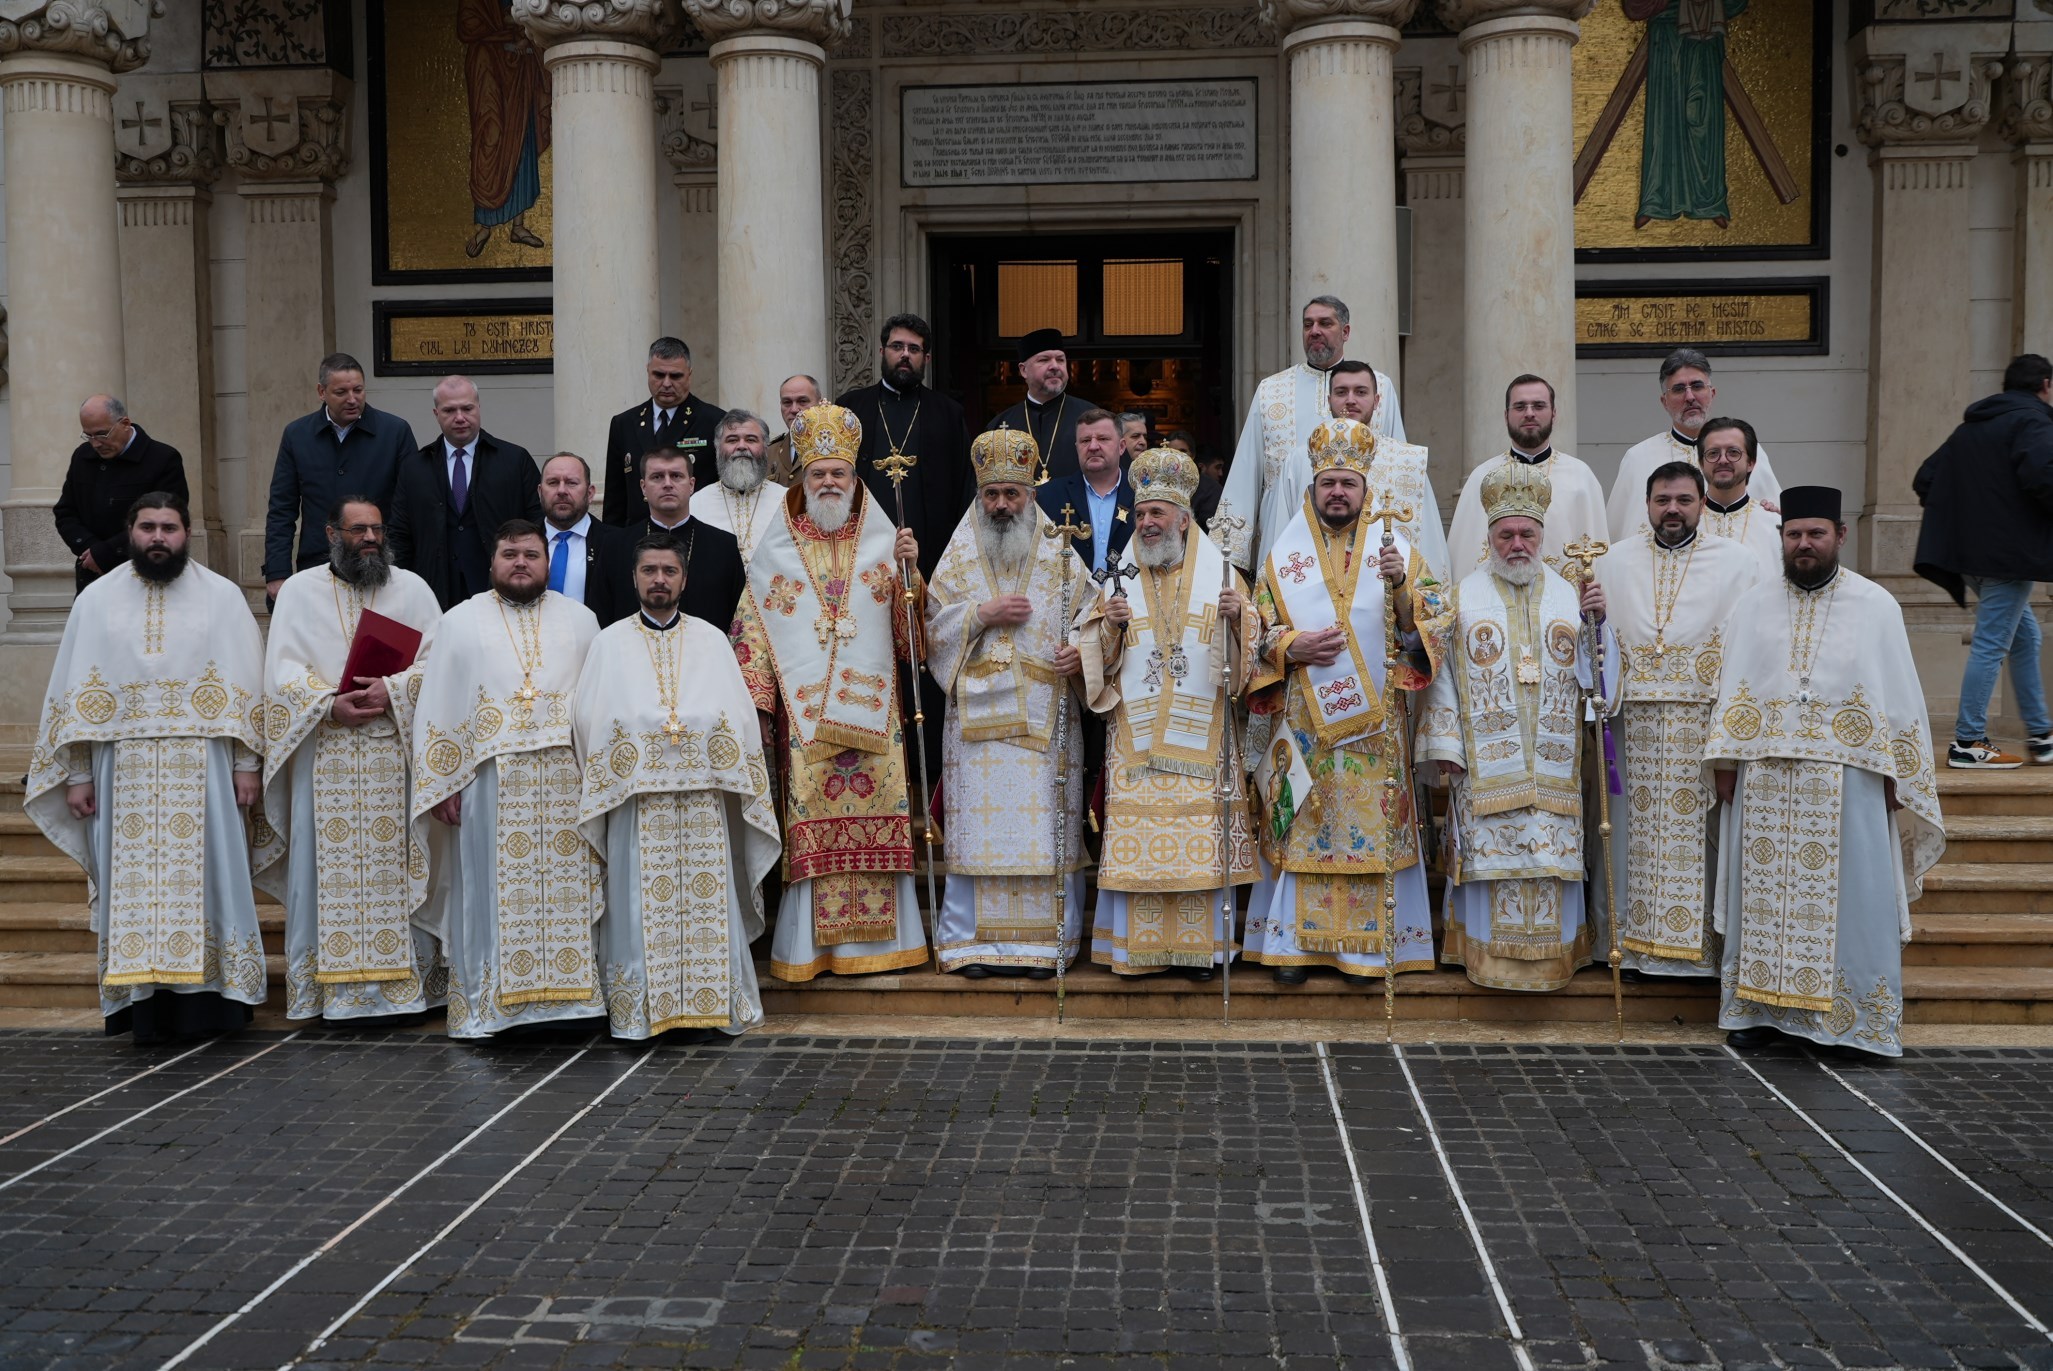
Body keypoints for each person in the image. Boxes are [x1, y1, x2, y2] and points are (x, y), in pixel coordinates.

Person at [1709, 486, 1943, 1058]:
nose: (1804, 544)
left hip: (1850, 781)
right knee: (1762, 901)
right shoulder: (1754, 603)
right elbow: (1731, 688)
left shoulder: (1876, 604)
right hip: (1764, 778)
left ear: (1839, 535)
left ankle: (1854, 1020)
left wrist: (1901, 777)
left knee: (1853, 903)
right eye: (1793, 535)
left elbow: (1899, 698)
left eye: (1815, 534)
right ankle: (1759, 1012)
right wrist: (1724, 764)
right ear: (1781, 539)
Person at [25, 493, 267, 1043]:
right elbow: (74, 693)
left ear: (187, 534)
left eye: (171, 528)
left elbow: (247, 687)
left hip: (206, 767)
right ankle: (139, 1002)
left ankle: (217, 999)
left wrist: (248, 764)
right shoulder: (96, 601)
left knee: (214, 880)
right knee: (127, 883)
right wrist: (79, 776)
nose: (160, 537)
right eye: (149, 527)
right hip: (121, 769)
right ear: (130, 531)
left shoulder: (223, 598)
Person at [1243, 420, 1449, 985]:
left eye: (1348, 484)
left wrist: (1403, 588)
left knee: (1371, 829)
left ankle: (1368, 950)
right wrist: (1291, 644)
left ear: (1365, 490)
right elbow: (1255, 633)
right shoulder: (1285, 557)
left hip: (1377, 727)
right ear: (1313, 488)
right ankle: (1293, 947)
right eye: (1328, 482)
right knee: (1303, 827)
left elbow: (1433, 631)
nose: (1338, 492)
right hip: (1307, 723)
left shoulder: (1397, 549)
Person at [732, 404, 932, 981]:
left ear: (853, 479)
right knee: (812, 825)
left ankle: (885, 946)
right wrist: (760, 710)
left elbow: (911, 644)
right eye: (816, 473)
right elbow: (753, 632)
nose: (826, 483)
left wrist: (912, 578)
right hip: (807, 724)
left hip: (875, 720)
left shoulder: (885, 544)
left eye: (837, 474)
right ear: (802, 477)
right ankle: (809, 951)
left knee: (879, 812)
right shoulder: (777, 550)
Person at [573, 534, 781, 1040]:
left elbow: (736, 719)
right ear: (634, 578)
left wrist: (697, 733)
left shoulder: (711, 639)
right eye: (650, 571)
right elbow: (589, 721)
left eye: (669, 571)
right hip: (636, 805)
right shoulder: (608, 643)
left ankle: (710, 1007)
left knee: (706, 903)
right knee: (639, 907)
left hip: (703, 804)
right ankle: (641, 1012)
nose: (659, 580)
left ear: (684, 579)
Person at [1418, 464, 1612, 992]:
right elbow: (1441, 680)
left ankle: (1557, 961)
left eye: (1527, 533)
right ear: (1490, 538)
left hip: (1554, 768)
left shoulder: (1573, 595)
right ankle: (1484, 961)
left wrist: (1601, 627)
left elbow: (1601, 681)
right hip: (1484, 773)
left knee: (1550, 856)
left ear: (1543, 537)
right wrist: (1444, 744)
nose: (1517, 543)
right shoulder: (1460, 597)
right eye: (1506, 534)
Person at [253, 496, 447, 1023]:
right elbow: (281, 674)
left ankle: (407, 991)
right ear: (331, 534)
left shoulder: (413, 589)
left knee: (397, 867)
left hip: (395, 758)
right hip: (325, 759)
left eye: (377, 530)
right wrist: (328, 704)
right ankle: (329, 994)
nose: (369, 539)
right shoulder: (298, 591)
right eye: (358, 529)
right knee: (325, 875)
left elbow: (440, 664)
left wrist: (394, 690)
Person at [410, 521, 604, 1039]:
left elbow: (598, 705)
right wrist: (442, 781)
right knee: (491, 895)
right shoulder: (459, 620)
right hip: (490, 783)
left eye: (532, 554)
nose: (521, 563)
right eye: (509, 554)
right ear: (491, 562)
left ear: (548, 562)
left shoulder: (583, 621)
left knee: (570, 896)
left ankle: (572, 1005)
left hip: (567, 782)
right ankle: (490, 1006)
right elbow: (438, 705)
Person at [1077, 448, 1258, 979]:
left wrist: (1238, 618)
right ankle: (1138, 950)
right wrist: (1106, 626)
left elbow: (1254, 648)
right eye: (1141, 514)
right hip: (1136, 740)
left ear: (1184, 518)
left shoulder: (1222, 572)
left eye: (1159, 513)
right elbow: (1094, 658)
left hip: (1203, 737)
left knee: (1199, 848)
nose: (1148, 523)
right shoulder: (1117, 577)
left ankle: (1202, 953)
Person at [925, 429, 1090, 978]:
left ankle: (1046, 947)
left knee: (1041, 829)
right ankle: (971, 944)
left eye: (1010, 495)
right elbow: (931, 626)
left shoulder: (1060, 549)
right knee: (981, 831)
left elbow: (1094, 618)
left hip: (1046, 715)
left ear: (1030, 495)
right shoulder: (958, 554)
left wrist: (1081, 657)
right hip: (976, 726)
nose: (1000, 505)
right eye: (991, 494)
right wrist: (981, 614)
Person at [1590, 462, 1760, 980]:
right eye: (1662, 500)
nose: (1672, 510)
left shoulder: (1739, 564)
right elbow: (1595, 650)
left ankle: (1700, 957)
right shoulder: (1612, 563)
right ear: (1646, 505)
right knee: (1622, 834)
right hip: (1630, 727)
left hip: (1701, 730)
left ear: (1701, 504)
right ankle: (1621, 946)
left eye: (1684, 500)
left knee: (1699, 838)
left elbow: (1750, 653)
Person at [1914, 353, 2053, 769]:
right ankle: (1968, 741)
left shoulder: (1970, 428)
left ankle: (2041, 734)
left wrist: (1972, 517)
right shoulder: (2035, 422)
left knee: (2024, 637)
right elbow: (2043, 476)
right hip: (2006, 557)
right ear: (2045, 384)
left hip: (1969, 556)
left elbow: (1926, 478)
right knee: (1992, 644)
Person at [1215, 295, 1405, 574]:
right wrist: (1231, 557)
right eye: (1308, 324)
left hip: (1365, 542)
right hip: (1286, 533)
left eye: (1325, 323)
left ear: (1345, 332)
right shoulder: (1271, 391)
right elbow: (1247, 471)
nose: (1314, 330)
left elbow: (1395, 464)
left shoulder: (1380, 388)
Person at [264, 353, 414, 603]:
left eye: (358, 390)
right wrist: (277, 571)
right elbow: (282, 508)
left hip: (377, 564)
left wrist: (402, 565)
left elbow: (408, 506)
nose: (352, 399)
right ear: (321, 392)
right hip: (318, 565)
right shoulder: (297, 435)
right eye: (341, 392)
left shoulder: (395, 432)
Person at [389, 375, 544, 609]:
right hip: (434, 591)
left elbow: (537, 522)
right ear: (436, 414)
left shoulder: (515, 460)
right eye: (449, 410)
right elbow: (400, 535)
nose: (459, 417)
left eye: (467, 408)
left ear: (479, 407)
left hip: (500, 590)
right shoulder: (414, 468)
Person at [839, 313, 975, 580]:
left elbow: (964, 488)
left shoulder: (948, 413)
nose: (905, 354)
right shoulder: (851, 407)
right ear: (882, 351)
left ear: (926, 358)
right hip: (861, 549)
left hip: (931, 552)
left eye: (914, 349)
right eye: (897, 346)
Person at [1607, 348, 1780, 540]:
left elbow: (1773, 521)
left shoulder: (1746, 450)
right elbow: (1618, 533)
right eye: (1679, 389)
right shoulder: (1638, 457)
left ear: (1712, 393)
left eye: (1697, 386)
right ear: (1664, 401)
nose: (1690, 397)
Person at [1446, 374, 1607, 578]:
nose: (1529, 413)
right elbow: (1463, 561)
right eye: (1520, 407)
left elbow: (1599, 563)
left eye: (1539, 406)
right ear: (1506, 415)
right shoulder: (1482, 478)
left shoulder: (1580, 477)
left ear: (1554, 413)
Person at [1326, 359, 1450, 581]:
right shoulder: (1299, 460)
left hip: (1391, 593)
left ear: (1376, 401)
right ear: (1329, 400)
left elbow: (1429, 540)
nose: (1351, 400)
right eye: (1341, 392)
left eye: (1361, 392)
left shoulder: (1409, 461)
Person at [54, 394, 188, 592]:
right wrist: (92, 551)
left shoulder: (163, 459)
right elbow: (66, 512)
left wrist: (107, 553)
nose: (95, 443)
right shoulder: (82, 457)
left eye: (102, 434)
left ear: (125, 423)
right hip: (92, 572)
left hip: (143, 573)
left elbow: (168, 518)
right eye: (88, 435)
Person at [602, 338, 724, 526]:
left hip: (693, 536)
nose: (666, 383)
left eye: (675, 376)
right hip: (639, 537)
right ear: (648, 372)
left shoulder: (715, 421)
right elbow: (615, 500)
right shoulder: (624, 423)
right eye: (659, 375)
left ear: (689, 375)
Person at [635, 446, 746, 634]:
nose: (668, 484)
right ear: (643, 487)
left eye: (677, 476)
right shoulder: (616, 545)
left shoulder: (724, 547)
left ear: (692, 485)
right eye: (657, 477)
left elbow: (740, 618)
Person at [985, 328, 1100, 485]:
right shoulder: (1000, 426)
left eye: (1060, 360)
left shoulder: (1095, 419)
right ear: (1023, 370)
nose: (1055, 366)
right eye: (1044, 360)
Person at [538, 453, 636, 627]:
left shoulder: (618, 544)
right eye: (553, 483)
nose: (561, 491)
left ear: (590, 493)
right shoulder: (518, 543)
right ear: (540, 492)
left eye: (571, 483)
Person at [1035, 408, 1133, 577]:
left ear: (1122, 446)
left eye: (1103, 439)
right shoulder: (1047, 497)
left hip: (1127, 600)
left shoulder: (1142, 494)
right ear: (1077, 447)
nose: (1093, 446)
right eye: (1085, 440)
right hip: (1070, 601)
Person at [695, 409, 787, 562]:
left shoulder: (787, 500)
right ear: (717, 448)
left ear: (765, 448)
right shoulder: (697, 503)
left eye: (751, 440)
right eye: (732, 440)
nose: (741, 446)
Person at [1696, 416, 1781, 575]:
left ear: (1751, 463)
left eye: (1733, 452)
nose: (1722, 460)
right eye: (1713, 453)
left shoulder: (1776, 527)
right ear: (1701, 463)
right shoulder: (1685, 524)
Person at [769, 374, 822, 486]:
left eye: (802, 401)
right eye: (787, 402)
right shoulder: (769, 452)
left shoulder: (836, 447)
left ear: (819, 404)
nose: (794, 409)